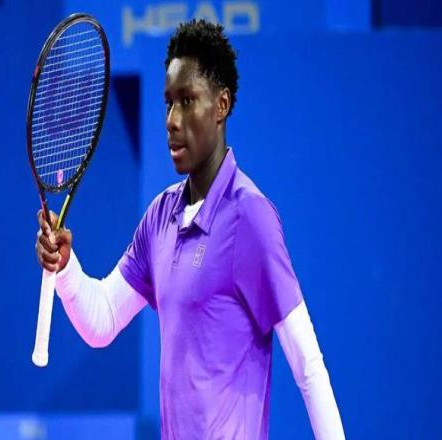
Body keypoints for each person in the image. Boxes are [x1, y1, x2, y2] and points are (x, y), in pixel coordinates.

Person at [36, 19, 345, 440]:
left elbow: (308, 366)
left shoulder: (250, 217)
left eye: (187, 101)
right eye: (168, 103)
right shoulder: (160, 217)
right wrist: (66, 267)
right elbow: (102, 321)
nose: (171, 120)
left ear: (221, 105)